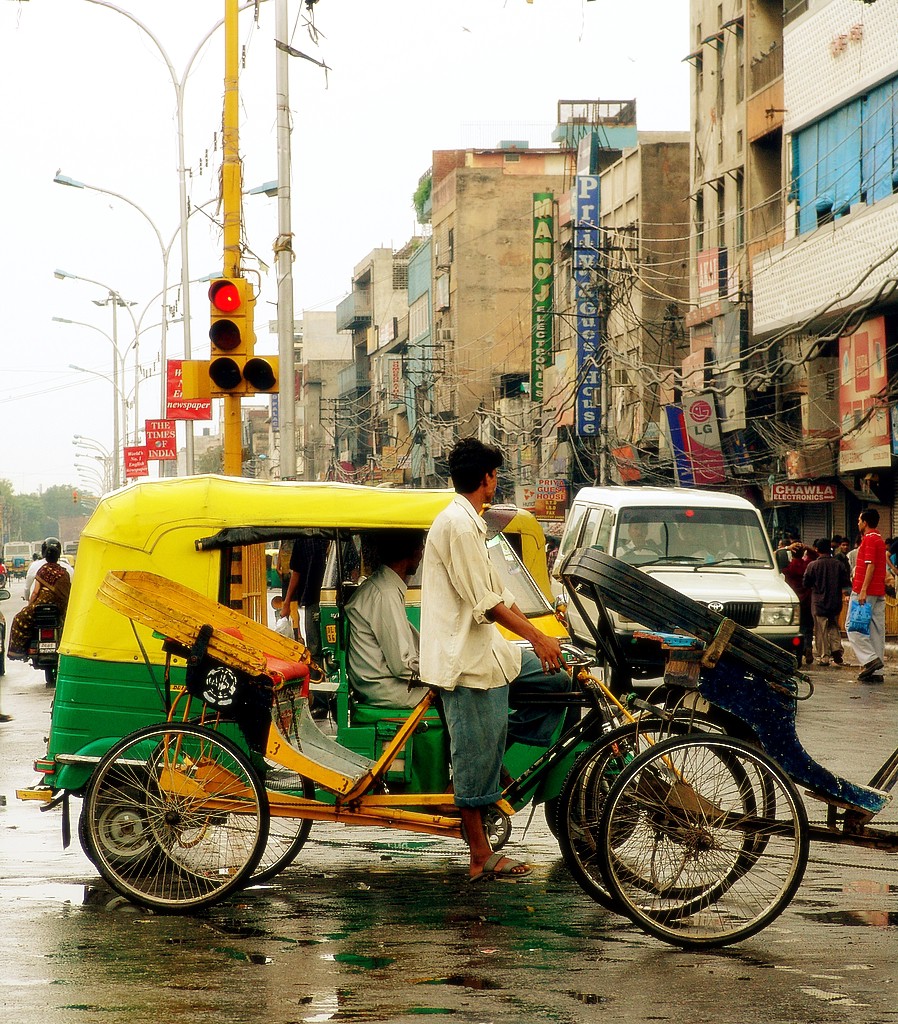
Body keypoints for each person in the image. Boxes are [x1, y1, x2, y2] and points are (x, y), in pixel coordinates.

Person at [420, 437, 571, 883]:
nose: (496, 482)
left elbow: (504, 596)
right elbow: (485, 602)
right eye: (495, 475)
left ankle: (496, 755)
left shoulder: (474, 523)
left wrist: (546, 637)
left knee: (560, 683)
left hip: (490, 653)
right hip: (465, 662)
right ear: (486, 479)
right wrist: (536, 639)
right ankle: (480, 854)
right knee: (472, 755)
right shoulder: (459, 526)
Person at [345, 529, 429, 709]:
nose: (422, 553)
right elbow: (403, 664)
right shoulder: (386, 594)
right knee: (458, 692)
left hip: (380, 683)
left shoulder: (384, 587)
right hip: (386, 689)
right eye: (421, 548)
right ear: (412, 552)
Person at [7, 538, 71, 660]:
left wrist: (29, 606)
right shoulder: (65, 572)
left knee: (18, 619)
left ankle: (18, 652)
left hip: (41, 608)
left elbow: (35, 592)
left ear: (45, 556)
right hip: (61, 609)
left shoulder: (42, 570)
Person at [847, 509, 888, 683]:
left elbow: (870, 566)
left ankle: (870, 660)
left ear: (865, 522)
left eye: (859, 520)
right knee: (876, 630)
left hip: (865, 590)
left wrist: (863, 589)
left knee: (853, 626)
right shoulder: (879, 539)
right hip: (878, 590)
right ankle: (877, 672)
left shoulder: (870, 540)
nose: (858, 523)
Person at [278, 535, 328, 659]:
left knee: (319, 646)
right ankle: (318, 675)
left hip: (325, 598)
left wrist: (287, 603)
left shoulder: (306, 538)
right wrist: (287, 603)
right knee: (316, 647)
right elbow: (296, 572)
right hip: (315, 598)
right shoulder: (304, 539)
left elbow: (296, 572)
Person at [802, 539, 849, 667]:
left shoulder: (813, 565)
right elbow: (845, 582)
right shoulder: (839, 564)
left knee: (820, 629)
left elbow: (806, 583)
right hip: (835, 601)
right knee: (833, 626)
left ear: (817, 550)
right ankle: (836, 650)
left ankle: (824, 657)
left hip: (818, 602)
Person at [782, 540, 817, 665]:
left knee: (797, 629)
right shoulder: (808, 564)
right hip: (808, 601)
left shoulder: (788, 567)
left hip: (794, 601)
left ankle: (798, 651)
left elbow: (774, 556)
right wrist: (807, 546)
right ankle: (808, 648)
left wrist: (787, 548)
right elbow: (817, 555)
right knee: (808, 628)